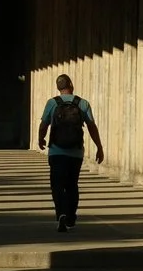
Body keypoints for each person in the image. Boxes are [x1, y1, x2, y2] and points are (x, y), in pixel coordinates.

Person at [37, 73, 101, 232]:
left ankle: (61, 214)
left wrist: (41, 139)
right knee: (72, 185)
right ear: (71, 84)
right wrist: (99, 146)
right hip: (75, 152)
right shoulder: (82, 103)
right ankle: (71, 217)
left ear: (58, 88)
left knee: (57, 185)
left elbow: (44, 125)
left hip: (56, 152)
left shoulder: (52, 103)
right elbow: (92, 127)